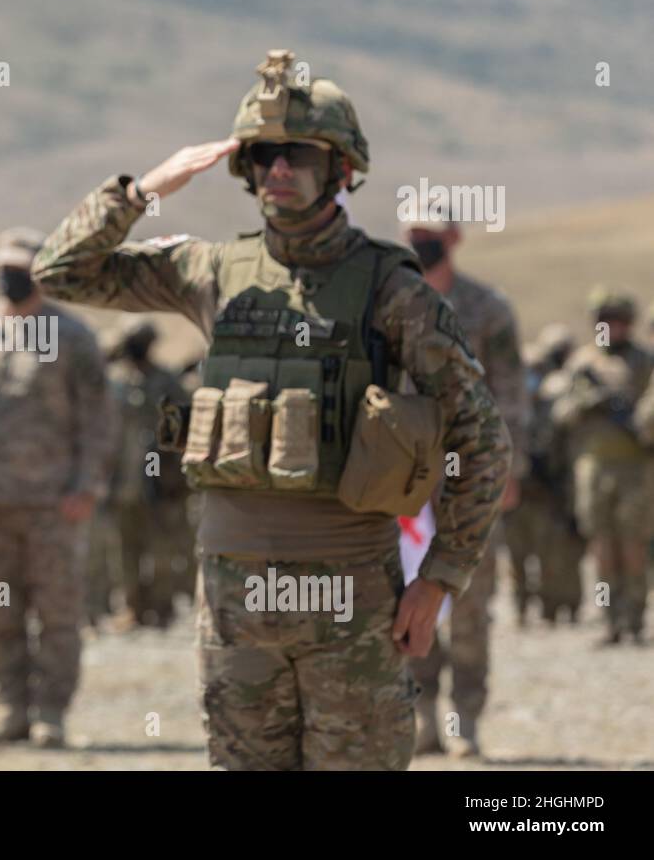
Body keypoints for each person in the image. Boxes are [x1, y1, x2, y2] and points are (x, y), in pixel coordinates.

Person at [32, 50, 510, 770]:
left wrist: (442, 576)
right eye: (262, 155)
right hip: (234, 597)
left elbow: (480, 436)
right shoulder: (213, 271)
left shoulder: (390, 288)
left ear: (341, 169)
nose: (277, 169)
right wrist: (144, 191)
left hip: (351, 593)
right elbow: (61, 271)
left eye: (297, 154)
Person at [0, 228, 111, 748]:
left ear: (41, 273)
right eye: (2, 265)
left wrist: (87, 485)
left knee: (58, 613)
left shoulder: (74, 337)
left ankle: (52, 713)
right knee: (2, 611)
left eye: (18, 266)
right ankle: (10, 707)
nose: (7, 275)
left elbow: (99, 420)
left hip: (55, 502)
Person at [402, 213, 529, 758]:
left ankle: (467, 717)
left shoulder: (487, 308)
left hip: (471, 475)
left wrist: (508, 470)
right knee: (408, 596)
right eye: (413, 234)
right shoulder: (392, 301)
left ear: (453, 240)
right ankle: (421, 713)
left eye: (430, 235)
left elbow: (510, 393)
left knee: (472, 600)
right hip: (406, 479)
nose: (420, 243)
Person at [551, 288, 654, 645]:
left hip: (636, 470)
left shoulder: (645, 362)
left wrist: (638, 419)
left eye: (620, 321)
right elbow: (559, 413)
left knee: (633, 548)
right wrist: (587, 404)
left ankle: (635, 619)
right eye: (606, 320)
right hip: (593, 470)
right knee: (602, 552)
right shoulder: (583, 364)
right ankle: (609, 620)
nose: (613, 327)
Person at [106, 319, 193, 629]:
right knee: (125, 550)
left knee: (161, 548)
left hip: (159, 483)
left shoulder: (166, 383)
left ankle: (161, 607)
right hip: (123, 483)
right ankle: (132, 607)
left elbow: (183, 429)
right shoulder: (115, 382)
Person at [504, 324, 583, 625]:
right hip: (517, 494)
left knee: (551, 555)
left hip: (546, 494)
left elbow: (562, 450)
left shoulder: (555, 404)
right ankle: (522, 609)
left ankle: (554, 610)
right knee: (517, 557)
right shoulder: (510, 410)